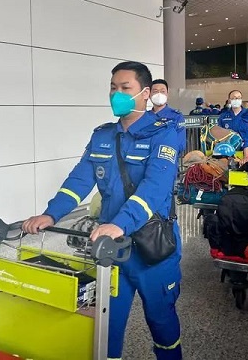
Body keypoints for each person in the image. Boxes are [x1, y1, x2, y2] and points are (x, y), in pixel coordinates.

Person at [22, 62, 182, 360]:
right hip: (111, 249)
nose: (116, 94)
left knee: (162, 322)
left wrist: (121, 223)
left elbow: (155, 187)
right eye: (113, 88)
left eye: (125, 89)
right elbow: (79, 180)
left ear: (145, 94)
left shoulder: (164, 134)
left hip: (153, 246)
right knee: (107, 325)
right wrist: (51, 214)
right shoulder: (102, 135)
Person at [150, 78, 186, 152]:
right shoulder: (144, 117)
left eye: (162, 91)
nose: (159, 94)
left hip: (167, 159)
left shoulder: (176, 116)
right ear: (149, 94)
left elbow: (180, 144)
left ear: (167, 94)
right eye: (155, 91)